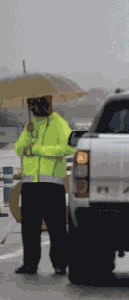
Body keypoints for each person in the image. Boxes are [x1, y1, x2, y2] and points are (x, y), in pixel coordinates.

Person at [14, 95, 74, 275]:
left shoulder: (58, 123)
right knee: (29, 228)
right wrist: (29, 136)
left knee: (56, 228)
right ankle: (30, 264)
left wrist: (39, 149)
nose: (32, 107)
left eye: (34, 104)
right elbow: (18, 149)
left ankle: (60, 264)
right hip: (30, 185)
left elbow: (68, 147)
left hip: (51, 185)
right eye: (30, 104)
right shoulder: (30, 125)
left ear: (45, 104)